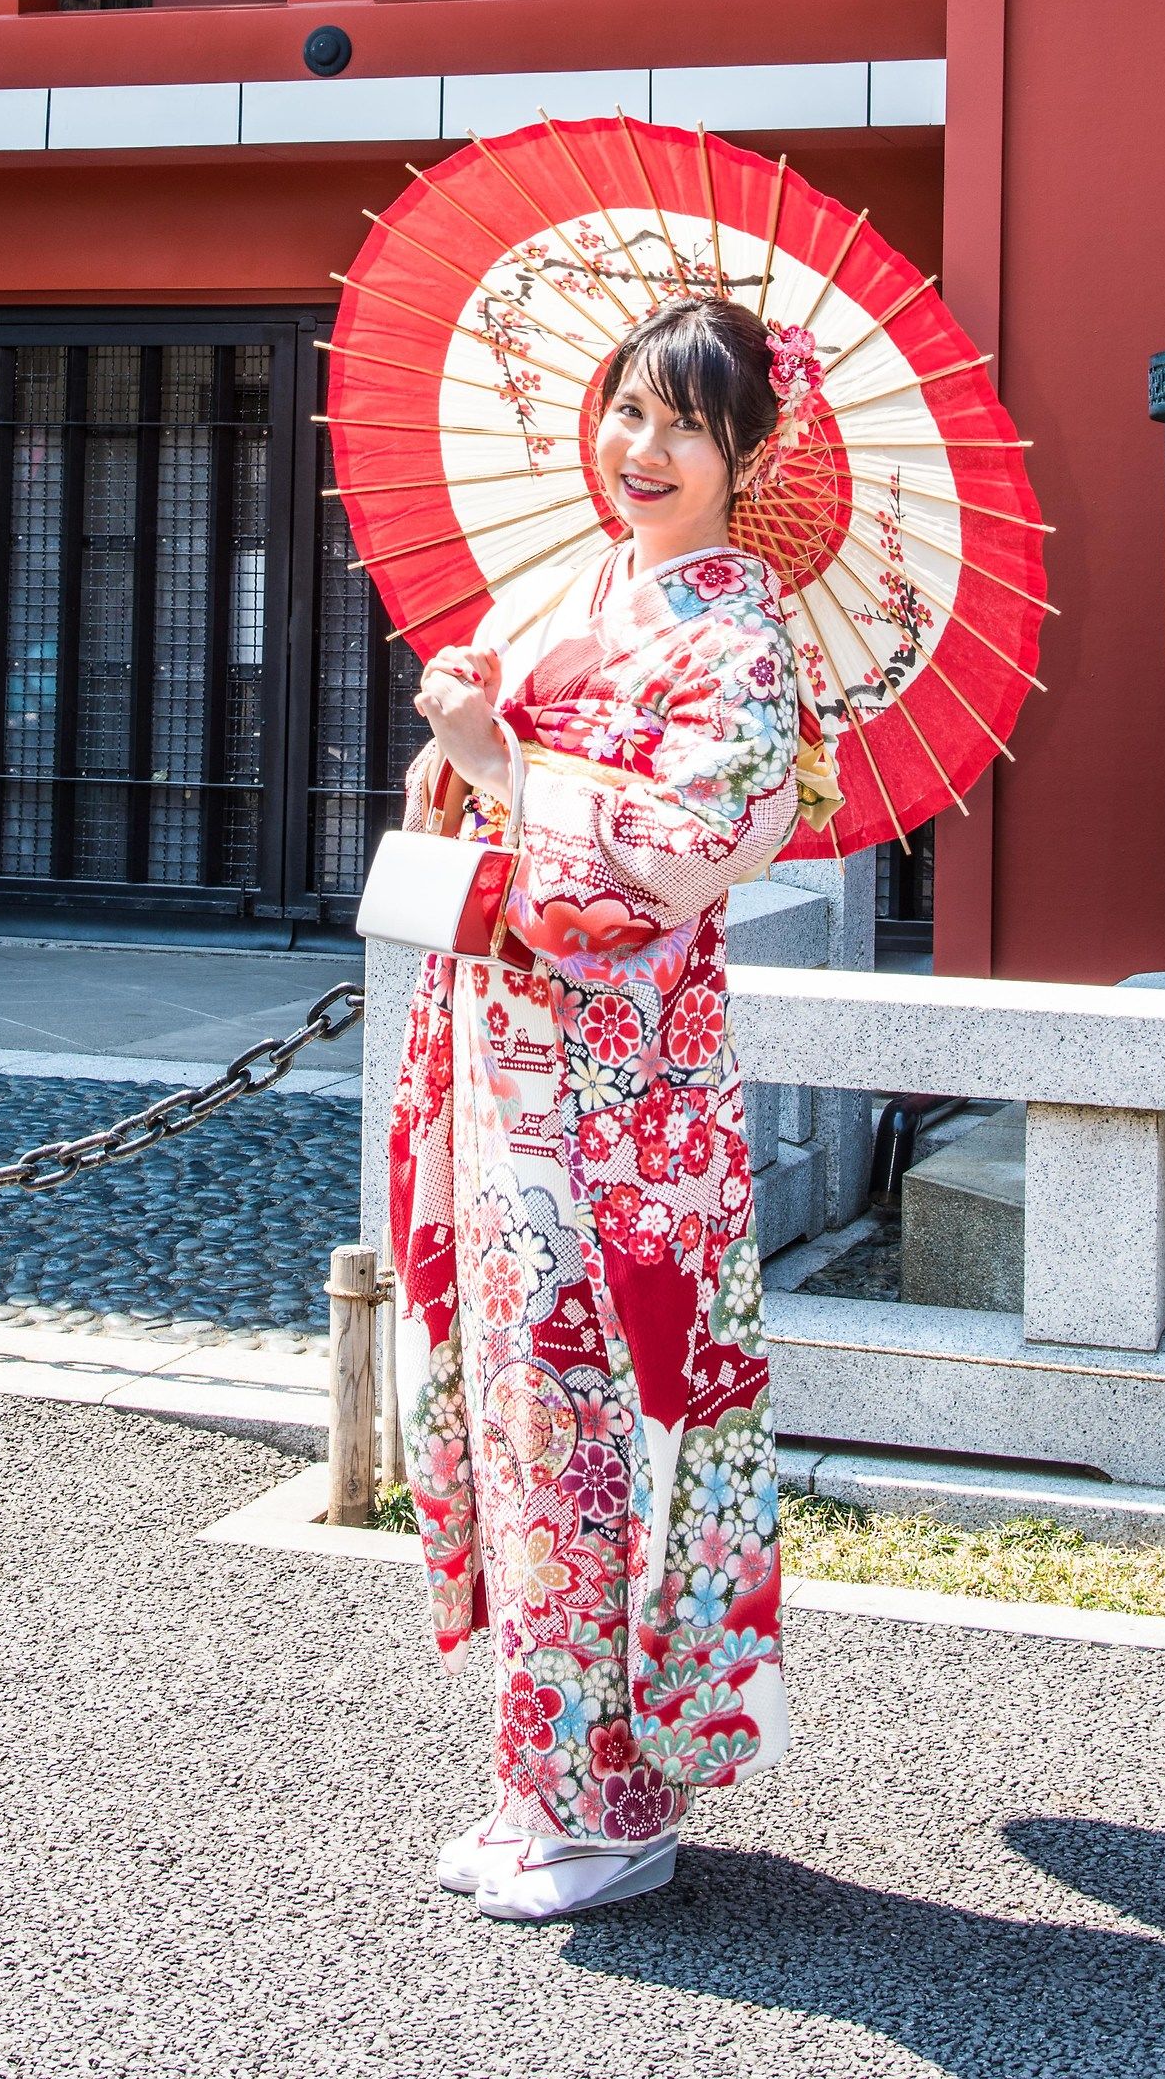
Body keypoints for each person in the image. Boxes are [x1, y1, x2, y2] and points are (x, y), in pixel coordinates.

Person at [387, 295, 813, 1923]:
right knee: (517, 1415)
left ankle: (612, 1805)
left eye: (683, 429)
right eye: (625, 413)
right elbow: (481, 796)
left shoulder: (734, 647)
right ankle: (538, 1778)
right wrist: (455, 739)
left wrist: (506, 766)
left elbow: (677, 858)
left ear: (743, 457)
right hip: (510, 1085)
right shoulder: (571, 591)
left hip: (627, 1118)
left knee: (603, 1427)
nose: (637, 452)